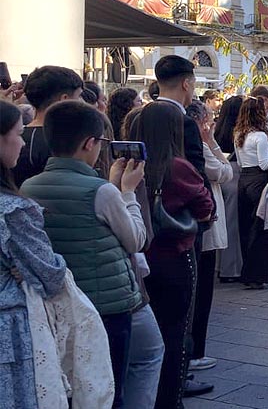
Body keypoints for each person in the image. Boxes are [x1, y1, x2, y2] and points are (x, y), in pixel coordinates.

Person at [22, 99, 146, 405]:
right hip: (106, 303)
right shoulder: (101, 191)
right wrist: (127, 192)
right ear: (90, 143)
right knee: (107, 387)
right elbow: (135, 240)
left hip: (56, 304)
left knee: (70, 385)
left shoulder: (28, 187)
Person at [126, 101, 214, 409]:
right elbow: (205, 206)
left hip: (138, 255)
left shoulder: (125, 164)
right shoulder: (177, 165)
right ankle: (170, 399)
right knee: (175, 330)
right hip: (174, 253)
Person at [0, 100, 70, 408]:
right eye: (18, 134)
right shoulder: (13, 210)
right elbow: (50, 274)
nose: (23, 142)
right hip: (9, 330)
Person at [185, 100, 233, 373]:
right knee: (202, 290)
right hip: (206, 223)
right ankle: (195, 351)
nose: (212, 125)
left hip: (203, 222)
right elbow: (224, 172)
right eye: (209, 121)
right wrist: (212, 142)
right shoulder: (200, 147)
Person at [12, 65, 84, 186]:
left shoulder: (12, 138)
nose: (82, 102)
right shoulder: (67, 142)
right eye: (79, 96)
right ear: (64, 99)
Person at [233, 97, 268, 289]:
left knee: (245, 226)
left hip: (244, 179)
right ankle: (257, 274)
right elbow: (264, 164)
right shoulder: (260, 136)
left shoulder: (238, 134)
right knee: (261, 227)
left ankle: (247, 272)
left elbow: (241, 163)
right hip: (258, 181)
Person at [214, 95, 244, 282]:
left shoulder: (217, 130)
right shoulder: (239, 132)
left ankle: (220, 265)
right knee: (233, 225)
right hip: (235, 173)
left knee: (223, 223)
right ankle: (230, 268)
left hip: (220, 175)